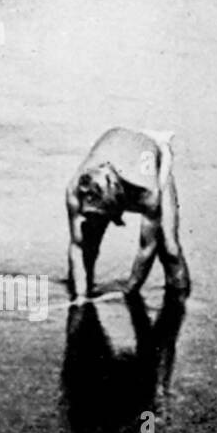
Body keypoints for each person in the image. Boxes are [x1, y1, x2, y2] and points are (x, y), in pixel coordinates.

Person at [65, 128, 190, 304]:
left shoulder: (146, 191)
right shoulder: (75, 191)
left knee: (170, 248)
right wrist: (80, 296)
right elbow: (76, 247)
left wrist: (130, 287)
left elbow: (147, 247)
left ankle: (181, 300)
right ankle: (82, 306)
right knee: (87, 244)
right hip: (115, 153)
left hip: (149, 164)